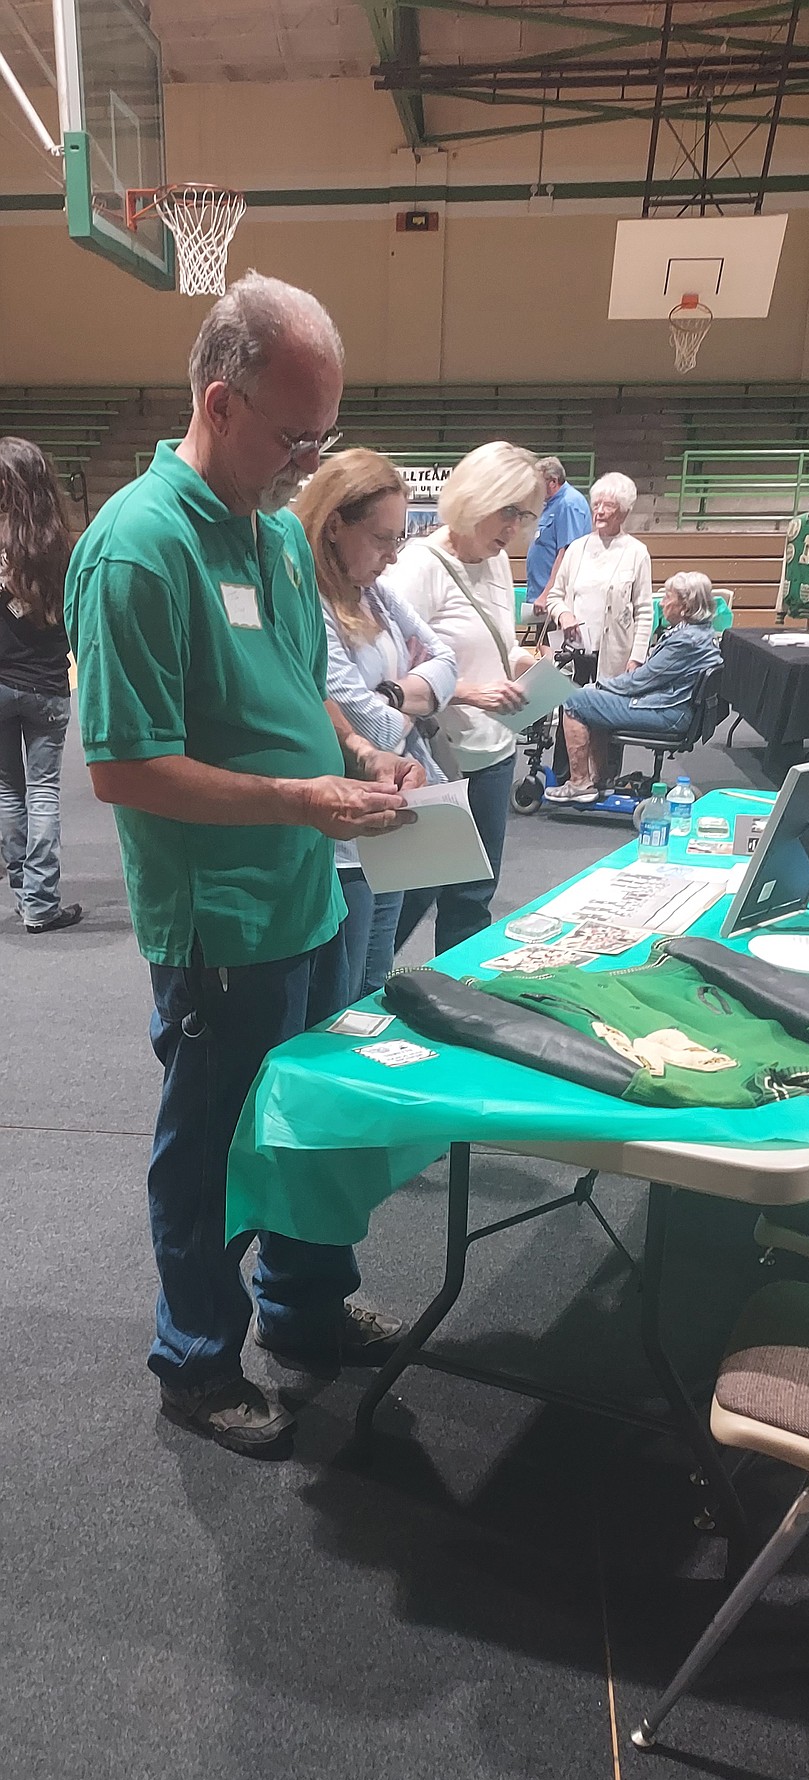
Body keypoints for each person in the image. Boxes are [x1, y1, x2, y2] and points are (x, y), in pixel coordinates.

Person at [66, 272, 425, 1458]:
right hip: (217, 917)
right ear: (220, 403)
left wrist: (361, 749)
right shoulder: (138, 549)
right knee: (212, 1148)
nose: (305, 458)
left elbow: (293, 689)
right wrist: (293, 795)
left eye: (321, 433)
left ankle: (304, 1310)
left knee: (313, 1118)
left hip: (308, 888)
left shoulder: (271, 535)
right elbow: (124, 767)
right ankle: (197, 1358)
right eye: (292, 433)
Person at [293, 449, 458, 996]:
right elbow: (370, 726)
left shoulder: (376, 595)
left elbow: (447, 664)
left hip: (394, 808)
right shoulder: (308, 601)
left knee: (374, 978)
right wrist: (412, 699)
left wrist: (389, 696)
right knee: (342, 994)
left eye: (399, 540)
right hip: (347, 833)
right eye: (383, 539)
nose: (392, 556)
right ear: (335, 526)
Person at [387, 440, 542, 955]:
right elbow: (389, 677)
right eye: (509, 512)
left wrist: (524, 664)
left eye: (526, 515)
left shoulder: (495, 562)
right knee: (409, 899)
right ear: (477, 497)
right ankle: (357, 1010)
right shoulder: (418, 567)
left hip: (494, 751)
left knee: (473, 897)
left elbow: (499, 643)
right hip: (435, 757)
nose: (515, 529)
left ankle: (457, 1004)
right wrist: (472, 692)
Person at [545, 571, 722, 804]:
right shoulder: (702, 633)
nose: (663, 603)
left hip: (668, 712)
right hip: (674, 707)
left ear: (685, 606)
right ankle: (602, 778)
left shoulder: (685, 641)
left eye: (668, 597)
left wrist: (601, 684)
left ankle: (579, 783)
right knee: (593, 700)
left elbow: (642, 680)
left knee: (574, 699)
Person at [0, 437, 82, 934]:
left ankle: (19, 889)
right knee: (43, 792)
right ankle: (41, 902)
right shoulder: (63, 547)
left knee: (8, 791)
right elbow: (73, 619)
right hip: (48, 685)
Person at [544, 472, 653, 684]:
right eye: (596, 505)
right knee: (571, 710)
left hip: (615, 657)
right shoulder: (576, 548)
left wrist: (637, 658)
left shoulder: (637, 552)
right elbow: (554, 596)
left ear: (623, 512)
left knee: (607, 712)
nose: (600, 512)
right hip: (575, 652)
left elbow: (644, 611)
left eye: (609, 506)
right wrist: (564, 615)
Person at [525, 455, 592, 614]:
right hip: (542, 598)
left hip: (556, 601)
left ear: (553, 482)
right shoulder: (550, 504)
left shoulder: (569, 504)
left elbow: (568, 554)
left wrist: (547, 595)